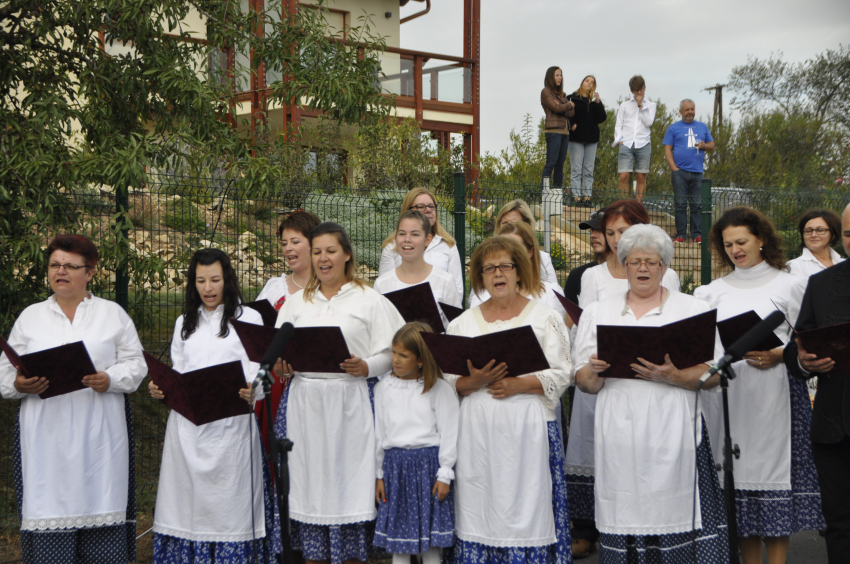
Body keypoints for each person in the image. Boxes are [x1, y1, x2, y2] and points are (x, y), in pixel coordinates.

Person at [573, 224, 728, 562]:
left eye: (652, 262)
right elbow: (583, 383)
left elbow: (714, 375)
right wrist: (594, 372)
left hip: (676, 430)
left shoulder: (692, 310)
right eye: (635, 261)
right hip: (619, 432)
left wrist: (673, 376)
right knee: (624, 507)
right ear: (623, 263)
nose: (643, 268)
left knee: (676, 512)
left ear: (665, 267)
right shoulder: (599, 312)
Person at [0, 234, 146, 564]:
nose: (60, 271)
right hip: (46, 440)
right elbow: (4, 373)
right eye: (54, 265)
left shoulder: (112, 314)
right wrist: (20, 384)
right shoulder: (30, 317)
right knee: (49, 515)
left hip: (99, 437)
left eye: (70, 266)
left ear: (90, 272)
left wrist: (110, 379)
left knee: (102, 508)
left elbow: (136, 364)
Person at [694, 206, 825, 564]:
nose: (735, 249)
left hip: (776, 395)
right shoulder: (711, 292)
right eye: (728, 244)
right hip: (729, 397)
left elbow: (809, 340)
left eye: (742, 241)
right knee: (740, 491)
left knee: (772, 481)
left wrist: (779, 354)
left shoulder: (791, 284)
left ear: (761, 239)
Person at [274, 222, 406, 564]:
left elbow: (396, 352)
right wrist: (282, 365)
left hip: (351, 404)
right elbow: (277, 350)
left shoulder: (370, 300)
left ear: (347, 254)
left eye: (330, 251)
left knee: (349, 488)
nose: (323, 258)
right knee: (309, 490)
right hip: (305, 406)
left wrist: (367, 367)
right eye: (316, 252)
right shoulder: (295, 303)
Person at [444, 236, 572, 564]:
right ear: (480, 277)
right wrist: (473, 381)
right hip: (478, 437)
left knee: (530, 509)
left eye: (505, 266)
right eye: (489, 268)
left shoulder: (545, 319)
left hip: (530, 433)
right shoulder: (462, 324)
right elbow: (446, 382)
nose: (497, 273)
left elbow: (563, 373)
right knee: (480, 510)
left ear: (519, 272)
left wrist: (519, 384)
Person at [567, 200, 680, 559]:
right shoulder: (592, 277)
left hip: (659, 393)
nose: (617, 240)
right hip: (606, 389)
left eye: (624, 232)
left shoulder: (671, 280)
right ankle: (596, 532)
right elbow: (586, 341)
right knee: (606, 465)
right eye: (611, 233)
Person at [149, 248, 277, 562]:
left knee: (230, 507)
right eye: (201, 280)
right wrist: (161, 388)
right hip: (188, 432)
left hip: (231, 428)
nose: (208, 288)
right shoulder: (184, 322)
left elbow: (259, 369)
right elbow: (179, 372)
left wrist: (254, 389)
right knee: (188, 507)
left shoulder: (248, 318)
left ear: (227, 280)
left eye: (215, 280)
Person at [784, 202, 850, 563]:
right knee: (839, 522)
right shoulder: (820, 284)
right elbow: (798, 351)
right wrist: (803, 361)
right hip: (833, 426)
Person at [373, 322, 459, 564]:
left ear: (421, 359)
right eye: (394, 353)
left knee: (429, 545)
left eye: (404, 355)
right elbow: (379, 434)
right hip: (395, 469)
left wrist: (444, 474)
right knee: (399, 543)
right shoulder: (383, 388)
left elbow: (449, 432)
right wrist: (379, 474)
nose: (396, 360)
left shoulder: (438, 389)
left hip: (428, 469)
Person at [254, 210, 322, 449]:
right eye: (284, 243)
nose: (288, 249)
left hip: (314, 388)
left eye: (295, 241)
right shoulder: (274, 288)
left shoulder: (329, 290)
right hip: (275, 386)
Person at [373, 210, 462, 330]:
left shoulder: (445, 282)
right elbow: (377, 329)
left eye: (415, 234)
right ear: (396, 238)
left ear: (427, 239)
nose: (407, 239)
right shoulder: (382, 284)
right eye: (402, 234)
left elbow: (456, 328)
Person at [468, 221, 567, 320]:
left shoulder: (550, 295)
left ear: (530, 252)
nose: (507, 256)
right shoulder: (482, 297)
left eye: (515, 249)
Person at [379, 187, 464, 297]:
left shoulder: (448, 245)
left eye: (431, 206)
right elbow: (384, 290)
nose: (428, 210)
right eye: (421, 206)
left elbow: (457, 292)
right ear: (408, 211)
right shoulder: (392, 247)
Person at [662, 99, 715, 243]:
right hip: (680, 173)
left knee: (697, 204)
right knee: (680, 204)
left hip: (698, 172)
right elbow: (667, 148)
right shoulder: (673, 128)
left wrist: (705, 146)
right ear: (681, 112)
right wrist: (674, 169)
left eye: (692, 109)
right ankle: (680, 235)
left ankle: (697, 234)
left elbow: (712, 145)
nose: (690, 112)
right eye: (687, 109)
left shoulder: (702, 127)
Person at [493, 199, 558, 285]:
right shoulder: (489, 258)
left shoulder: (543, 259)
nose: (509, 228)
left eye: (515, 223)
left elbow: (554, 292)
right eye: (505, 223)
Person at [614, 75, 656, 202]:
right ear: (632, 91)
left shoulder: (651, 105)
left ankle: (637, 206)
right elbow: (618, 125)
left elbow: (649, 122)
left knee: (641, 176)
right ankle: (625, 205)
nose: (639, 93)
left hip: (643, 143)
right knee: (624, 176)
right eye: (636, 90)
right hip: (626, 143)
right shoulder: (624, 105)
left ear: (644, 88)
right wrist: (619, 140)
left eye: (641, 89)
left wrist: (640, 107)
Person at [567, 76, 607, 206]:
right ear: (582, 82)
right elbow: (565, 114)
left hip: (592, 139)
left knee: (589, 170)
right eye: (587, 81)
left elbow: (602, 118)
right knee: (576, 169)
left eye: (592, 82)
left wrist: (598, 103)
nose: (589, 83)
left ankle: (587, 198)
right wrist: (572, 125)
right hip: (576, 138)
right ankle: (577, 198)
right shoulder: (572, 97)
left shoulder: (593, 101)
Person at [562, 207, 607, 322]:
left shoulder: (628, 275)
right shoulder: (578, 275)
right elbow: (570, 323)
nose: (592, 235)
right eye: (592, 230)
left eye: (600, 230)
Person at [540, 66, 575, 192]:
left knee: (560, 166)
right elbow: (556, 109)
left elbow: (571, 113)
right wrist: (568, 105)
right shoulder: (546, 92)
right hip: (553, 131)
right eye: (557, 75)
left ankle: (557, 196)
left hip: (565, 132)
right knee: (551, 163)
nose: (560, 78)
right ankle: (545, 194)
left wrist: (563, 106)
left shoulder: (561, 95)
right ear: (551, 77)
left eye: (561, 75)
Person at [786, 208, 845, 277]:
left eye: (820, 230)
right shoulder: (794, 266)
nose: (813, 235)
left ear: (833, 235)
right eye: (808, 231)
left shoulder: (843, 264)